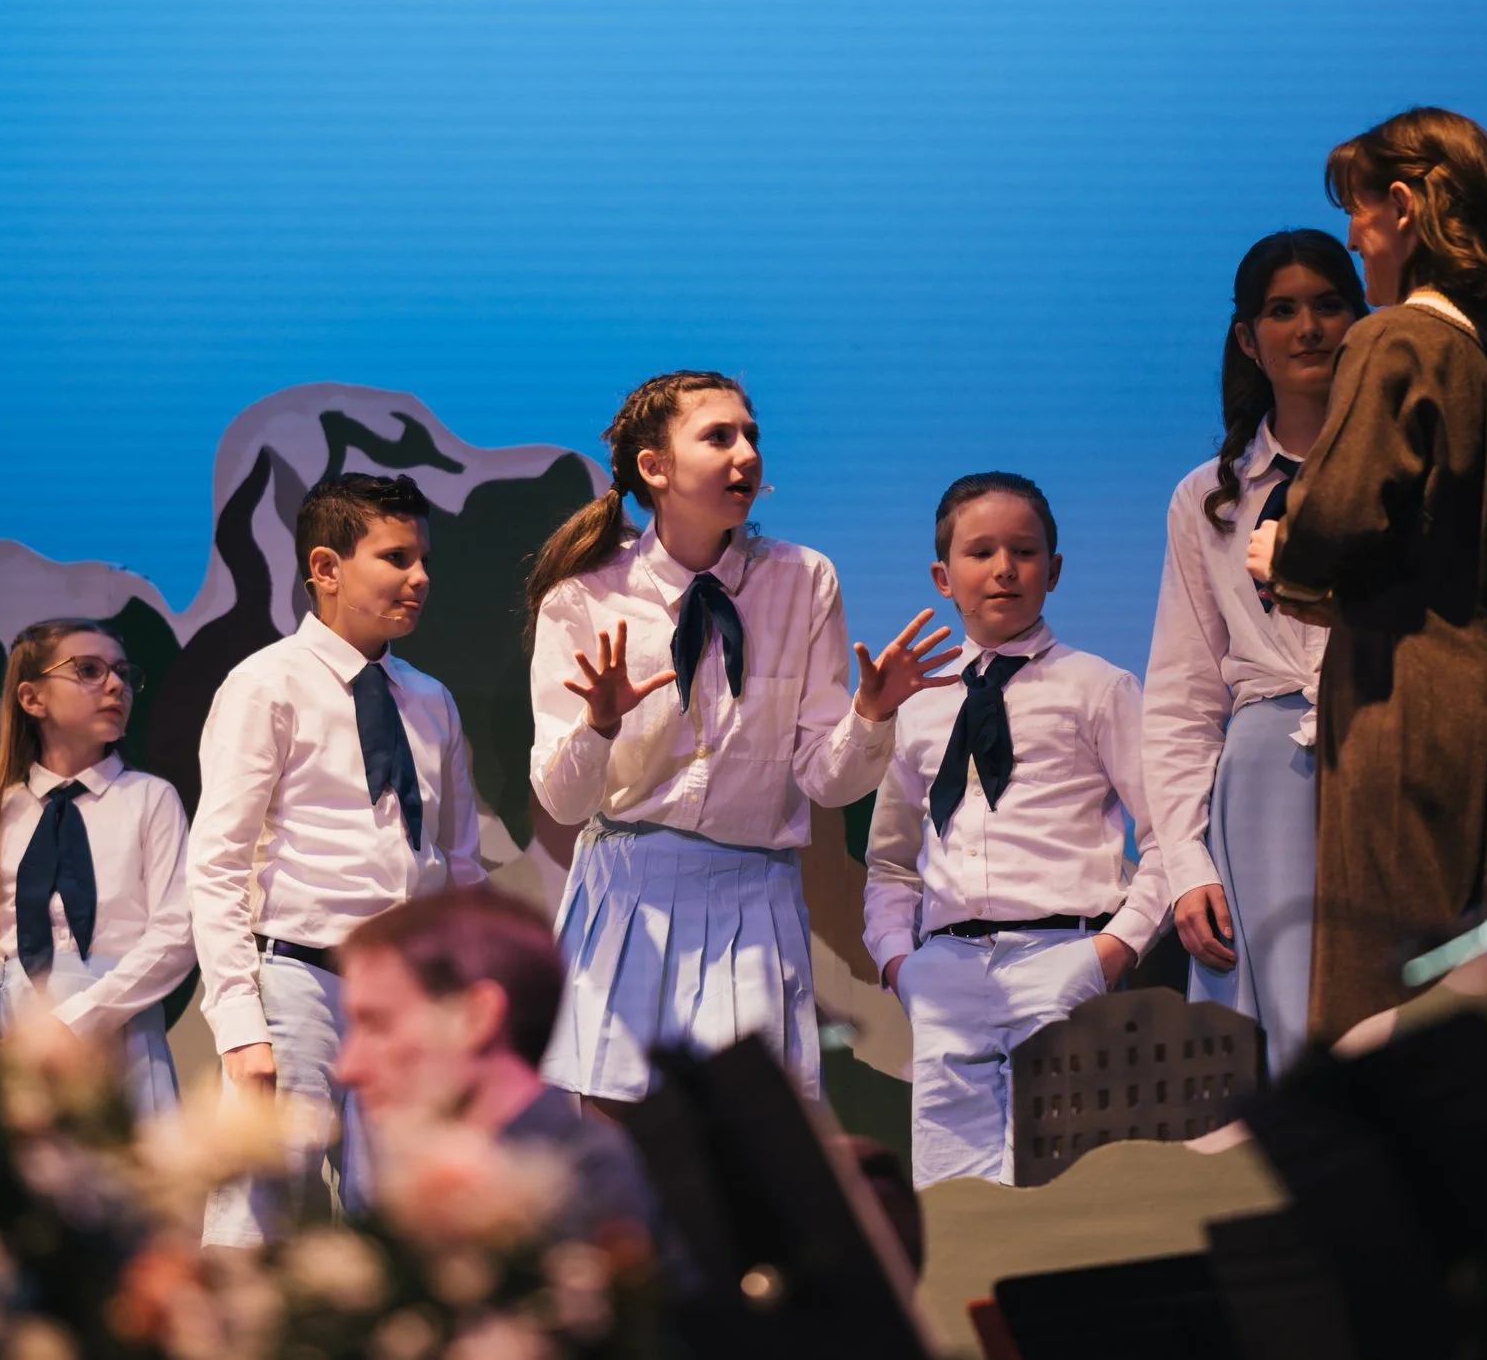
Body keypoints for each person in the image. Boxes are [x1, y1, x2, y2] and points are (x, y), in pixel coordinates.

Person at [525, 370, 954, 1107]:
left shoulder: (803, 579)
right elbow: (563, 803)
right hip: (629, 890)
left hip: (754, 894)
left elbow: (827, 780)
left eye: (751, 435)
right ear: (654, 468)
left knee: (753, 1138)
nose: (745, 453)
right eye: (718, 436)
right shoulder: (584, 596)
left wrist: (872, 715)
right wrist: (600, 724)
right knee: (619, 1129)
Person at [1249, 108, 1487, 1044]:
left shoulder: (1396, 342)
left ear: (1403, 207)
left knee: (1392, 1014)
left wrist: (1285, 557)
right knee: (1486, 1011)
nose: (1353, 237)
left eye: (1358, 212)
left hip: (1406, 709)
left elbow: (1334, 517)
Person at [190, 473, 491, 1246]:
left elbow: (459, 865)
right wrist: (237, 1024)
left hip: (408, 999)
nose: (419, 577)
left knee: (404, 1223)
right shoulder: (266, 685)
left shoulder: (431, 699)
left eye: (423, 557)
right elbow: (218, 860)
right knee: (262, 1214)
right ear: (326, 567)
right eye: (395, 557)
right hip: (298, 979)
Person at [864, 472, 1168, 1186]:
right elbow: (890, 863)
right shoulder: (919, 707)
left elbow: (1166, 836)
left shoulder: (1099, 687)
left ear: (1054, 570)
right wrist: (897, 963)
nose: (1004, 569)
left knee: (1064, 1177)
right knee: (950, 1191)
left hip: (1062, 953)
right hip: (944, 973)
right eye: (980, 552)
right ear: (943, 575)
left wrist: (1113, 949)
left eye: (1025, 552)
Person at [1144, 230, 1366, 1078]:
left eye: (1328, 304)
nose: (1308, 327)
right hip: (1266, 776)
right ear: (1248, 338)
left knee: (1395, 1005)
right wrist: (1186, 862)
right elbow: (1181, 693)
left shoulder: (1402, 469)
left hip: (1385, 744)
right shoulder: (1207, 496)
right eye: (1282, 310)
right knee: (1291, 1038)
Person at [0, 619, 193, 1117]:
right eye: (88, 670)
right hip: (12, 1038)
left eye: (121, 673)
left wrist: (75, 1021)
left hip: (117, 1028)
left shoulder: (150, 800)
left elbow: (177, 934)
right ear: (32, 698)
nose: (114, 685)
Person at [335, 885, 659, 1247]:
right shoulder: (414, 1189)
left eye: (378, 1025)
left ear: (476, 1017)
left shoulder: (594, 1187)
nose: (348, 1068)